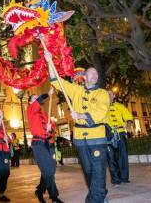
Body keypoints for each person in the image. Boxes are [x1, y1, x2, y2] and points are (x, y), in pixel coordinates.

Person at [46, 53, 110, 203]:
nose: (95, 75)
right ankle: (101, 194)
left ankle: (95, 199)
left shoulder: (103, 93)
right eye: (91, 73)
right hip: (80, 139)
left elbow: (102, 111)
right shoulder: (76, 90)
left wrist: (81, 115)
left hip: (97, 138)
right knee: (88, 171)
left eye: (96, 73)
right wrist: (49, 61)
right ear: (85, 77)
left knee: (98, 171)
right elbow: (56, 81)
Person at [27, 87, 63, 203]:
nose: (37, 99)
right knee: (48, 171)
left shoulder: (44, 113)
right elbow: (40, 100)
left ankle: (40, 190)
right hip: (39, 144)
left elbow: (52, 126)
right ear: (30, 102)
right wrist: (48, 93)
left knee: (50, 169)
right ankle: (54, 197)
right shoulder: (30, 109)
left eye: (37, 98)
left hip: (49, 143)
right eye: (34, 98)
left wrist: (50, 128)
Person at [106, 91, 133, 185]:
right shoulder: (102, 107)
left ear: (114, 95)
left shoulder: (120, 106)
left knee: (123, 157)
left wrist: (129, 124)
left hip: (120, 133)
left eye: (110, 94)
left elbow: (128, 116)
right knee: (111, 158)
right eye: (107, 94)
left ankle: (124, 178)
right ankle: (116, 180)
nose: (109, 95)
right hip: (108, 135)